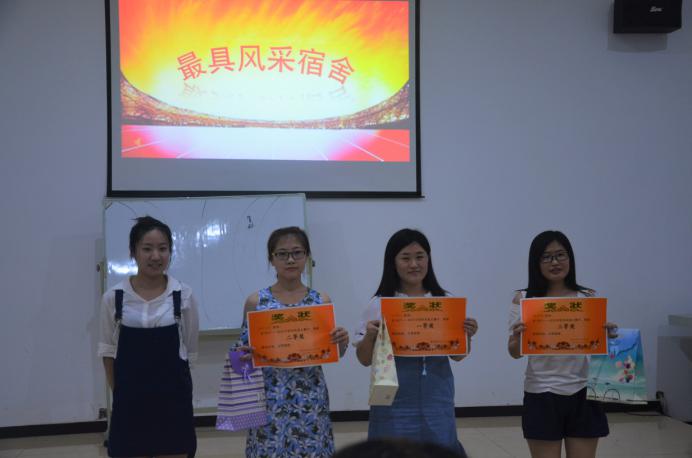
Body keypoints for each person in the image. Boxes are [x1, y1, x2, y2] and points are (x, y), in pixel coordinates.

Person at [354, 228, 478, 456]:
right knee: (392, 451)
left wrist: (467, 335)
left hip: (437, 397)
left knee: (438, 449)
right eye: (405, 258)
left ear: (428, 259)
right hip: (392, 399)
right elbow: (363, 359)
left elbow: (459, 355)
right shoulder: (379, 304)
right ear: (393, 263)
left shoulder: (445, 301)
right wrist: (370, 336)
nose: (414, 264)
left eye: (420, 257)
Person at [237, 226, 349, 457]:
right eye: (282, 254)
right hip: (269, 397)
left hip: (310, 397)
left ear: (307, 256)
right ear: (271, 259)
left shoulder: (320, 301)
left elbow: (336, 352)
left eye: (297, 252)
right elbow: (240, 361)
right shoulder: (256, 302)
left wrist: (342, 340)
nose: (290, 259)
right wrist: (243, 355)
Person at [508, 230, 618, 458]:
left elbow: (598, 347)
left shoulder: (587, 297)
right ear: (536, 262)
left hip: (584, 391)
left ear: (570, 258)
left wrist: (610, 337)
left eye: (561, 255)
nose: (555, 262)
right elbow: (514, 352)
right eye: (546, 257)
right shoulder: (524, 299)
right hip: (541, 392)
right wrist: (518, 338)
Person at [98, 216, 199, 458]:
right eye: (147, 249)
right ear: (133, 252)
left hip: (173, 401)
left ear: (170, 252)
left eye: (163, 248)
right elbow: (108, 351)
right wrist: (121, 393)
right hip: (130, 402)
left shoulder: (183, 295)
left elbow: (190, 351)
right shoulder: (114, 297)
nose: (156, 256)